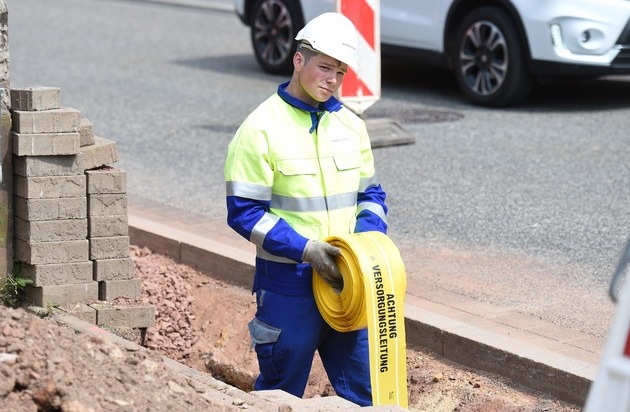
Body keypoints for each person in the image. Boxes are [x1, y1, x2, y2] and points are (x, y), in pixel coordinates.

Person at [224, 12, 388, 407]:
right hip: (288, 285)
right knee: (280, 397)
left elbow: (371, 194)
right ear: (299, 61)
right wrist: (306, 249)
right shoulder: (260, 127)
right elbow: (244, 212)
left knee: (368, 395)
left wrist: (369, 243)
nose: (332, 80)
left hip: (347, 282)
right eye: (324, 67)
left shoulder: (352, 126)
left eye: (340, 72)